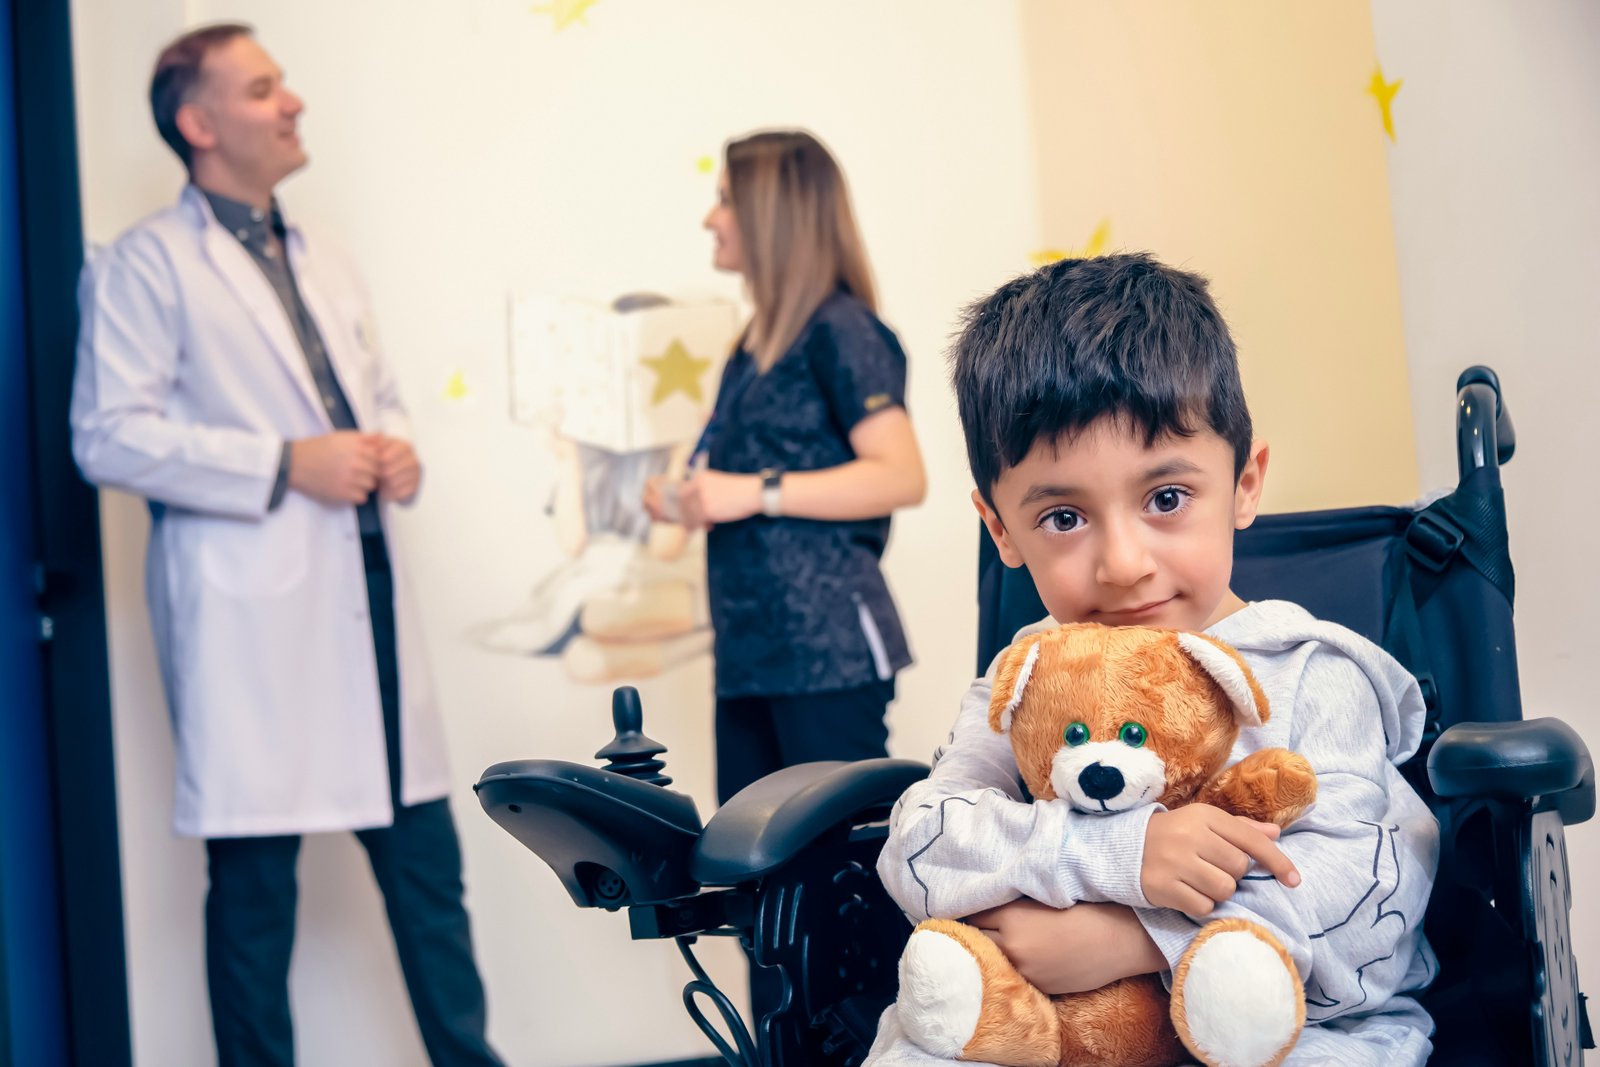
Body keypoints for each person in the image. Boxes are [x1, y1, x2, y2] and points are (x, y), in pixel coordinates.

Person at [866, 253, 1439, 1066]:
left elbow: (1368, 905)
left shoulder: (1314, 672)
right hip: (1056, 1028)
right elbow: (921, 850)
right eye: (1064, 516)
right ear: (1001, 530)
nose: (1123, 561)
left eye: (1166, 499)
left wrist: (1133, 935)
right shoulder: (1025, 676)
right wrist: (1119, 855)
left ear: (1245, 483)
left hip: (1298, 1029)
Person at [70, 24, 501, 1067]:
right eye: (264, 89)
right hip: (256, 629)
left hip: (367, 605)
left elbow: (376, 396)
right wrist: (280, 462)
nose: (293, 102)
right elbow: (106, 434)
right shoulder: (144, 266)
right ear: (199, 123)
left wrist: (396, 451)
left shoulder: (325, 256)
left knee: (430, 885)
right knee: (256, 901)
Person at [644, 129, 927, 805]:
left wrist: (749, 491)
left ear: (772, 213)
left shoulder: (842, 328)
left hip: (825, 651)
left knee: (838, 885)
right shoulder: (753, 346)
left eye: (724, 201)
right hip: (751, 655)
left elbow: (900, 475)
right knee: (755, 877)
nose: (709, 220)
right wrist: (693, 501)